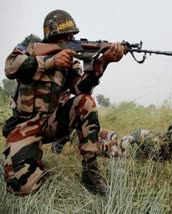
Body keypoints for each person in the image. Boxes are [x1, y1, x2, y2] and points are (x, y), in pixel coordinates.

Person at [2, 9, 124, 196]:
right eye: (66, 35)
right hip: (24, 125)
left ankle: (90, 172)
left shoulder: (70, 61)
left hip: (51, 122)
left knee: (86, 102)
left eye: (72, 35)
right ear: (52, 35)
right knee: (23, 189)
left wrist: (104, 62)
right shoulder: (31, 43)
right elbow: (11, 67)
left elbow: (80, 90)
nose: (72, 38)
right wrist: (50, 62)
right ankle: (25, 158)